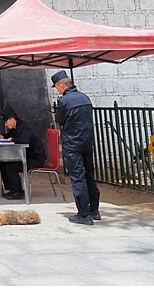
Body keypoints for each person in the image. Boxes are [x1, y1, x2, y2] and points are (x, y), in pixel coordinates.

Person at [52, 70, 101, 225]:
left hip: (73, 144)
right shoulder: (84, 98)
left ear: (61, 85)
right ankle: (94, 210)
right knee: (89, 177)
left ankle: (84, 214)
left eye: (57, 87)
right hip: (87, 143)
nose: (58, 91)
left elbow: (60, 119)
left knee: (78, 178)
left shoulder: (65, 101)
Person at [0, 106, 46, 200]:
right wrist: (3, 137)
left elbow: (24, 141)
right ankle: (12, 189)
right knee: (4, 163)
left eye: (7, 122)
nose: (6, 125)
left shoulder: (24, 128)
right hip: (24, 156)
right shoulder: (15, 127)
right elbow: (10, 135)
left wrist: (13, 139)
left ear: (12, 119)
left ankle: (19, 191)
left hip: (34, 158)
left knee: (11, 167)